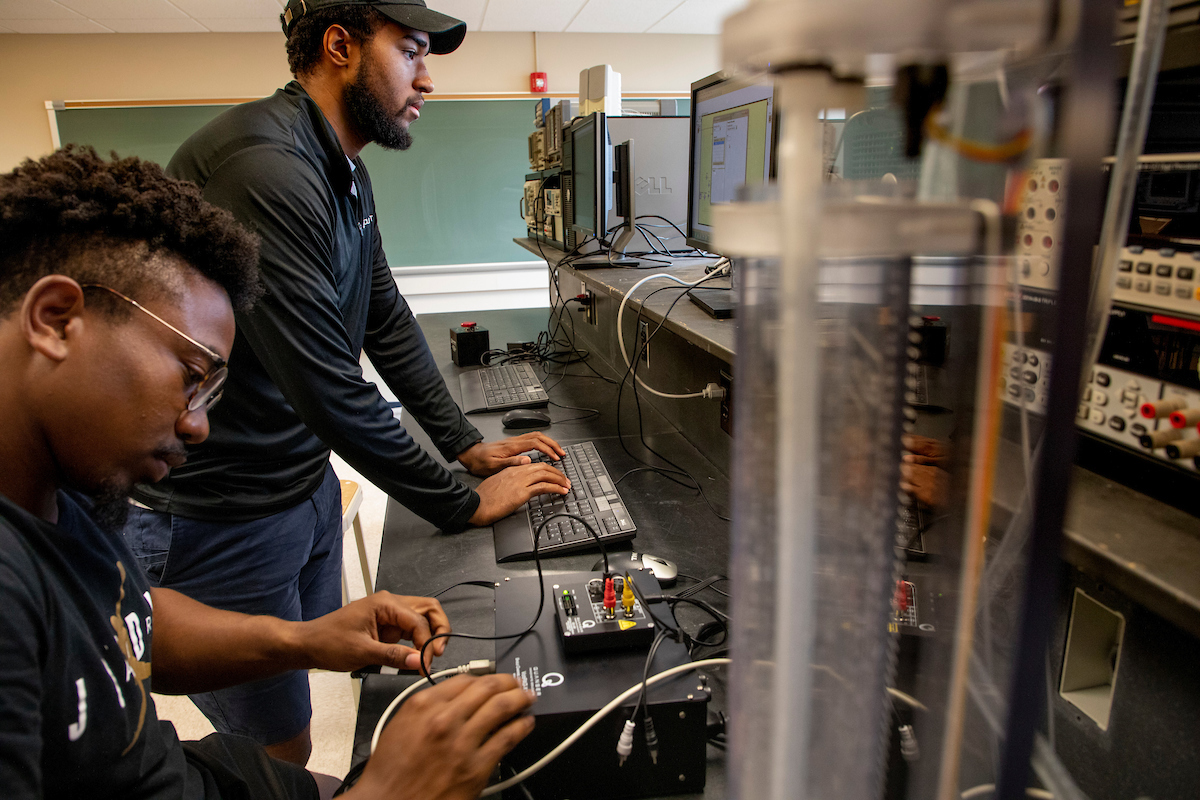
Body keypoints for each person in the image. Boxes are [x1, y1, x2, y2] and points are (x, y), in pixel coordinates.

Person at [0, 146, 535, 800]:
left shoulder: (67, 495)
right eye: (191, 378)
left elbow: (131, 623)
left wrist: (302, 639)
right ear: (56, 319)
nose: (197, 426)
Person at [122, 0, 570, 765]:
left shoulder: (341, 168)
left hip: (297, 487)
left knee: (310, 670)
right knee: (277, 752)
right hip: (217, 515)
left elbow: (383, 315)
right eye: (412, 52)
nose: (427, 79)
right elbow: (328, 383)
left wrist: (464, 446)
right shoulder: (264, 168)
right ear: (340, 46)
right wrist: (460, 504)